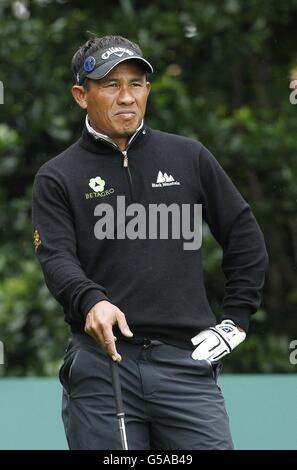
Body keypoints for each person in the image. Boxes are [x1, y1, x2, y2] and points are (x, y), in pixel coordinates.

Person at [32, 34, 268, 450]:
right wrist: (91, 301)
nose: (126, 97)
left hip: (186, 364)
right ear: (80, 95)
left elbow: (243, 235)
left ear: (148, 90)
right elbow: (56, 257)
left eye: (136, 84)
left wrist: (237, 320)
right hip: (104, 367)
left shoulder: (189, 156)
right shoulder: (57, 176)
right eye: (110, 84)